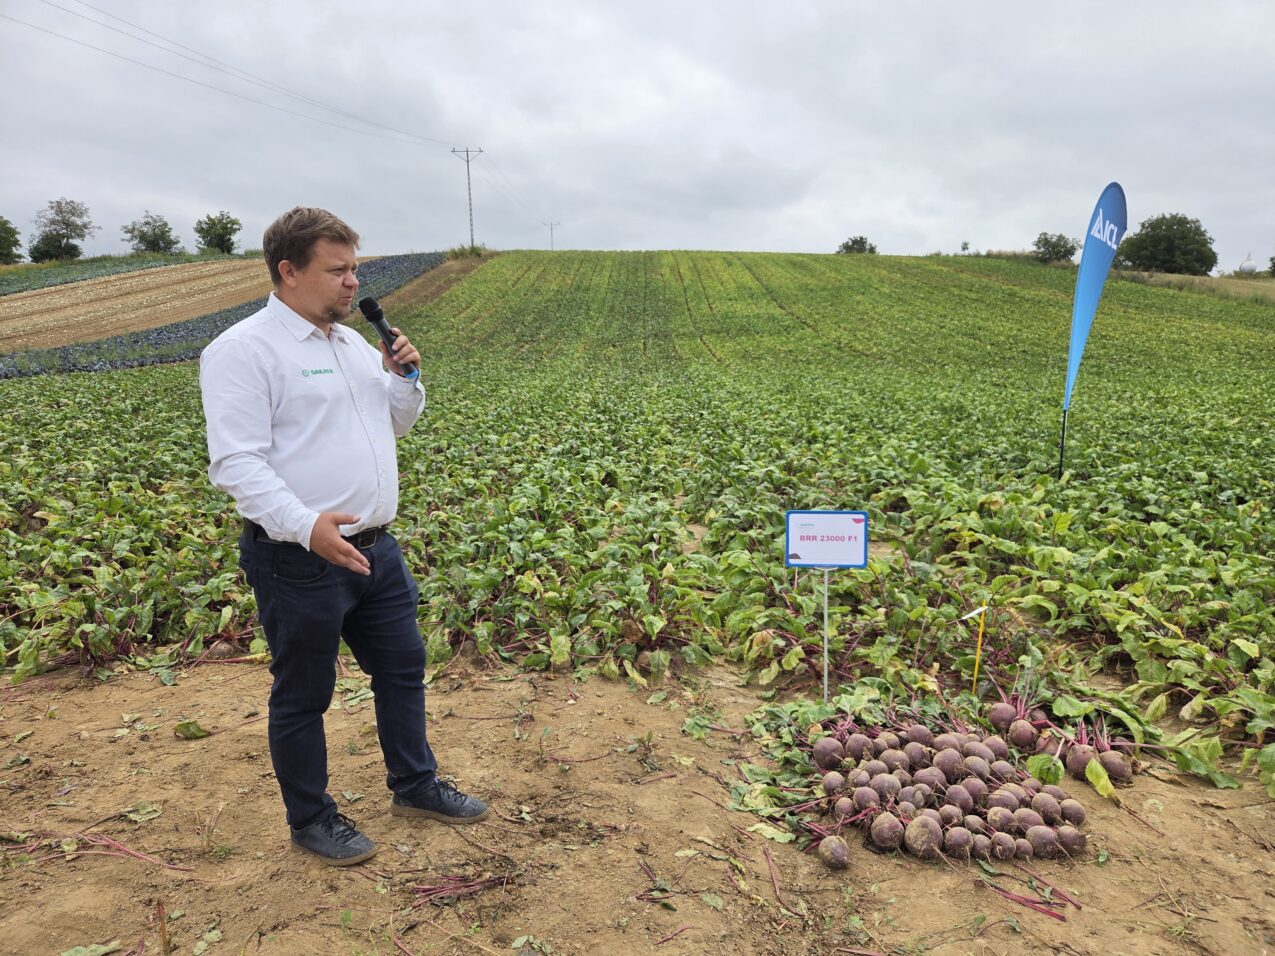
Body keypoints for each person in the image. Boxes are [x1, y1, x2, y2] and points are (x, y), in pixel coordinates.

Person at [199, 206, 487, 866]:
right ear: (289, 271)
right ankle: (311, 818)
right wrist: (306, 527)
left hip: (376, 549)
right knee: (304, 694)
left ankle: (414, 785)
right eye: (338, 270)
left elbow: (394, 423)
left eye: (354, 269)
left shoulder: (353, 346)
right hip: (297, 558)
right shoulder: (244, 351)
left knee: (402, 670)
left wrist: (404, 379)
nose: (353, 282)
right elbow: (236, 463)